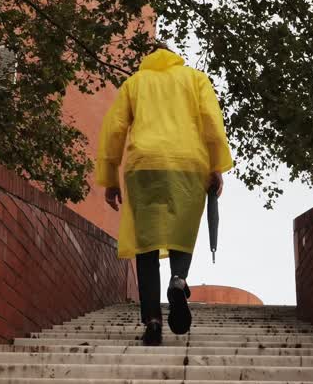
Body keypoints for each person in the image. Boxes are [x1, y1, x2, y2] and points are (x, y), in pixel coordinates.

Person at [96, 44, 234, 346]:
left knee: (145, 243)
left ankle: (153, 320)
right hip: (188, 162)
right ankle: (178, 280)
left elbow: (115, 129)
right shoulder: (195, 79)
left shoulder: (135, 83)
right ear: (175, 57)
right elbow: (212, 120)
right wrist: (216, 165)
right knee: (181, 229)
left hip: (144, 164)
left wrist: (109, 178)